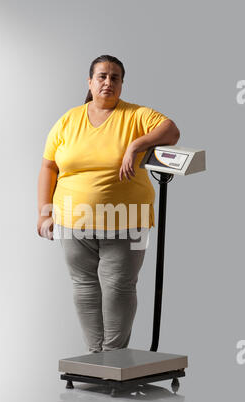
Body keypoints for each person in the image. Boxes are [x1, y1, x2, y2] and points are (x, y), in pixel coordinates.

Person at [37, 54, 180, 353]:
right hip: (72, 221)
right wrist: (44, 213)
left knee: (118, 289)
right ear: (89, 82)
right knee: (85, 288)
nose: (108, 82)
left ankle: (114, 360)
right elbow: (49, 167)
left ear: (122, 84)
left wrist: (136, 145)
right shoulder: (68, 120)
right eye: (102, 76)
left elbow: (171, 131)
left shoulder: (136, 116)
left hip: (128, 220)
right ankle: (95, 358)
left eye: (115, 78)